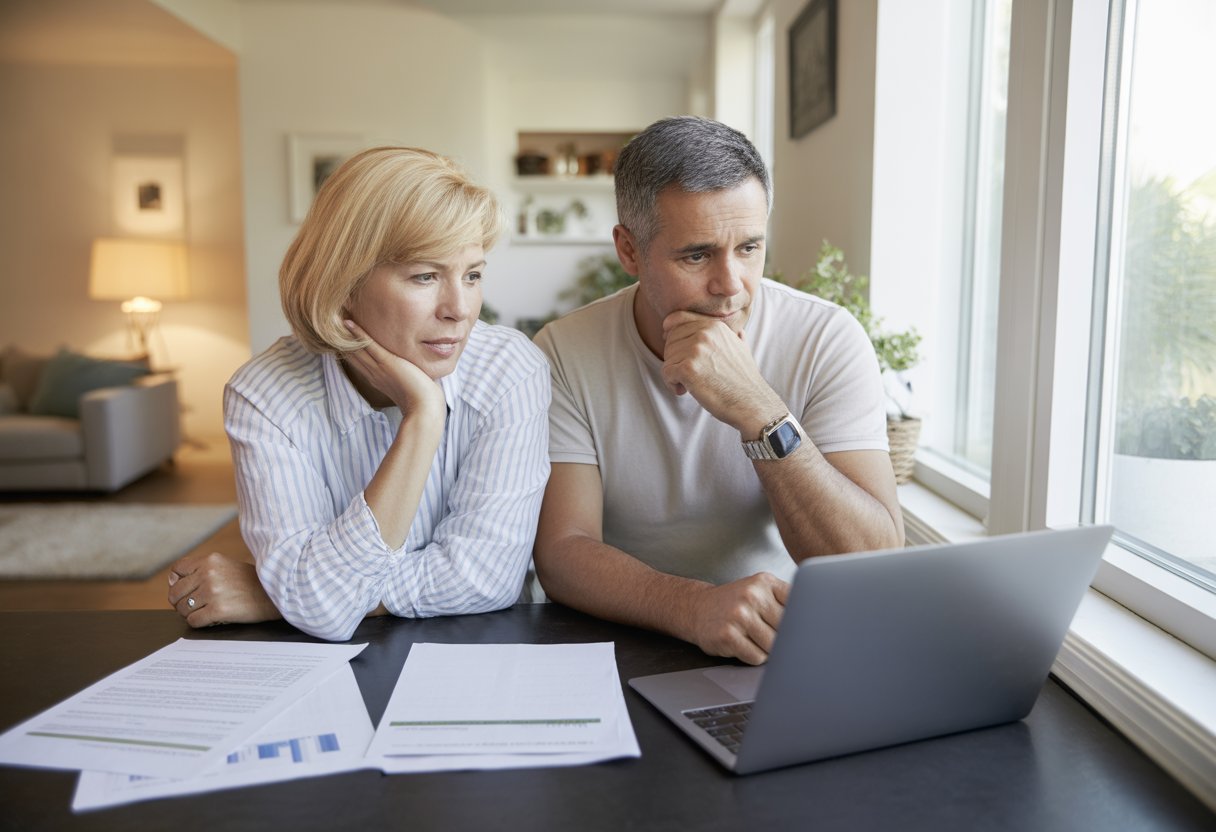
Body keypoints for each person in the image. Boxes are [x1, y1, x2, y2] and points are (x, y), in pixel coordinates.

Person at [532, 116, 903, 666]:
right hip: (623, 636)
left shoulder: (827, 338)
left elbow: (870, 561)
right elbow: (563, 551)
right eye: (697, 255)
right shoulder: (563, 351)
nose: (731, 285)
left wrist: (758, 409)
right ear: (629, 252)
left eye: (750, 248)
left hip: (779, 640)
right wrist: (693, 607)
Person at [167, 147, 551, 641]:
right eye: (425, 276)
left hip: (483, 656)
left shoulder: (509, 369)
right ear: (343, 283)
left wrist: (280, 595)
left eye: (473, 275)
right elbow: (320, 607)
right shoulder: (265, 395)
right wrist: (424, 419)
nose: (460, 309)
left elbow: (484, 578)